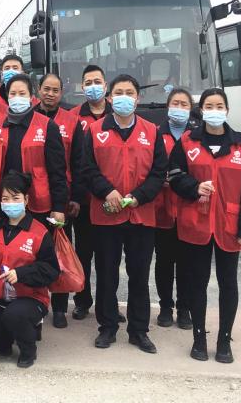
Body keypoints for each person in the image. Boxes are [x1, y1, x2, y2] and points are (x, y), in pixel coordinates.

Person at [168, 88, 241, 363]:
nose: (215, 111)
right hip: (196, 223)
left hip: (230, 226)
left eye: (219, 106)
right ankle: (199, 338)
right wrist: (195, 187)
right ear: (201, 110)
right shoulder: (187, 142)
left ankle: (224, 341)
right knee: (197, 282)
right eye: (209, 106)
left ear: (227, 110)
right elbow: (174, 176)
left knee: (228, 283)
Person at [83, 74, 167, 353]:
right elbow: (87, 169)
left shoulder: (152, 131)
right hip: (106, 214)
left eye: (129, 92)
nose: (124, 97)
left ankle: (139, 330)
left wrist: (139, 196)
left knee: (139, 275)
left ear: (137, 98)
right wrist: (107, 191)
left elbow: (159, 173)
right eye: (118, 92)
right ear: (109, 98)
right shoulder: (95, 130)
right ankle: (107, 327)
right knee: (106, 273)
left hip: (141, 215)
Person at [0, 171, 60, 368]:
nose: (10, 203)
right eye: (5, 199)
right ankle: (7, 337)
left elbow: (51, 270)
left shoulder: (39, 233)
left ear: (26, 200)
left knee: (15, 315)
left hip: (31, 299)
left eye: (15, 198)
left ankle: (29, 348)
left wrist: (21, 274)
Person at [33, 73, 85, 329]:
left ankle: (61, 307)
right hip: (31, 199)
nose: (50, 94)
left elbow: (78, 163)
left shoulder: (72, 122)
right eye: (46, 89)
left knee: (59, 253)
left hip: (60, 199)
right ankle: (35, 302)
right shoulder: (29, 117)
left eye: (55, 90)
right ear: (38, 90)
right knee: (33, 253)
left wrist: (75, 198)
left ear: (61, 93)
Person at [0, 74, 68, 229]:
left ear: (31, 97)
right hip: (5, 202)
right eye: (13, 93)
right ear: (7, 96)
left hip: (37, 201)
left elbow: (58, 171)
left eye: (22, 93)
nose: (17, 97)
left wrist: (59, 207)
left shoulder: (47, 126)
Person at [68, 64, 112, 322]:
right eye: (88, 82)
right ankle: (82, 301)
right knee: (83, 254)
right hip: (84, 200)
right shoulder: (74, 117)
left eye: (97, 81)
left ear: (105, 86)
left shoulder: (117, 115)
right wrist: (75, 196)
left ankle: (108, 305)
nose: (93, 86)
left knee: (108, 258)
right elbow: (73, 161)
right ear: (82, 87)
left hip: (111, 200)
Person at [153, 87, 194, 330]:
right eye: (175, 103)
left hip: (189, 207)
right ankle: (166, 307)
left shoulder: (196, 136)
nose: (179, 108)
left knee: (187, 262)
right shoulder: (157, 134)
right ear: (168, 106)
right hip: (162, 208)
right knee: (164, 261)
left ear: (191, 109)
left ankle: (185, 308)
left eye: (184, 104)